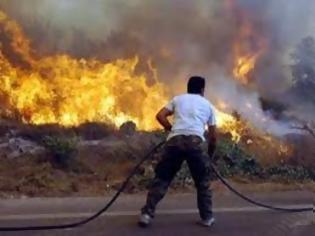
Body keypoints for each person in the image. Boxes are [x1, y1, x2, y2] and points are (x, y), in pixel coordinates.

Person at [138, 76, 217, 228]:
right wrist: (209, 156)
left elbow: (160, 116)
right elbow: (213, 137)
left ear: (188, 87)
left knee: (162, 179)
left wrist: (171, 129)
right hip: (196, 143)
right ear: (202, 90)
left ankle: (146, 214)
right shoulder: (207, 105)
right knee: (202, 183)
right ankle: (207, 218)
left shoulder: (178, 99)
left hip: (175, 142)